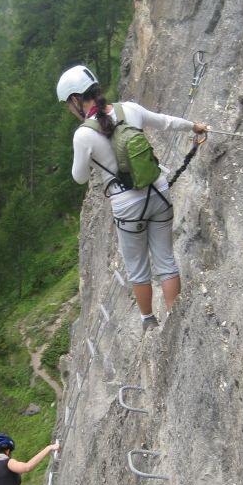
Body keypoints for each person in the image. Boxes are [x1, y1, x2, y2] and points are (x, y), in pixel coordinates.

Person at [56, 65, 207, 331]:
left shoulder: (83, 134)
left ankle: (149, 322)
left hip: (127, 206)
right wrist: (195, 126)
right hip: (158, 191)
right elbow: (166, 121)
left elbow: (79, 177)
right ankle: (175, 322)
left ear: (75, 100)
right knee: (166, 261)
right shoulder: (129, 109)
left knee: (138, 268)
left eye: (68, 105)